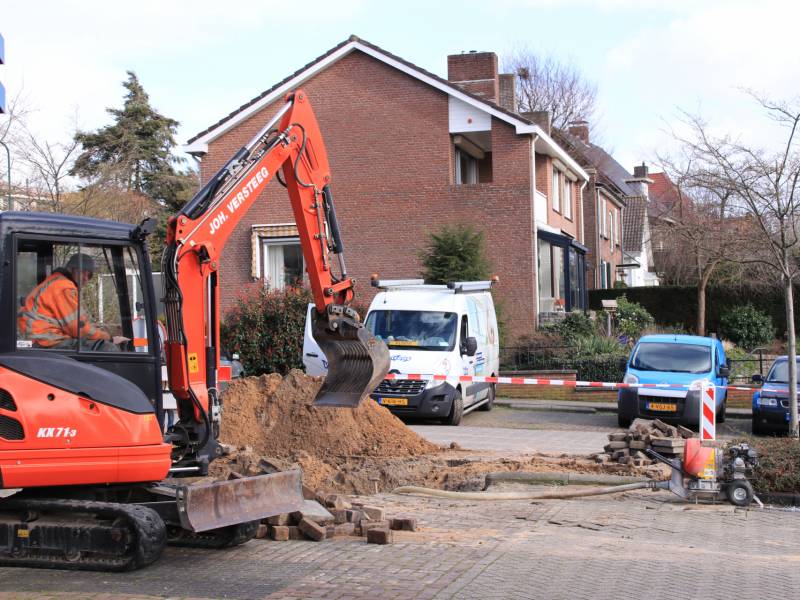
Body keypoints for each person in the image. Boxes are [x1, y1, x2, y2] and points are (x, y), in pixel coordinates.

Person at [18, 253, 126, 352]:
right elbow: (79, 329)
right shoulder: (64, 287)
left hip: (37, 337)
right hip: (43, 340)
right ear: (71, 269)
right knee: (108, 348)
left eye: (89, 275)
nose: (85, 278)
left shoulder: (56, 281)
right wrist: (109, 338)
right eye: (82, 272)